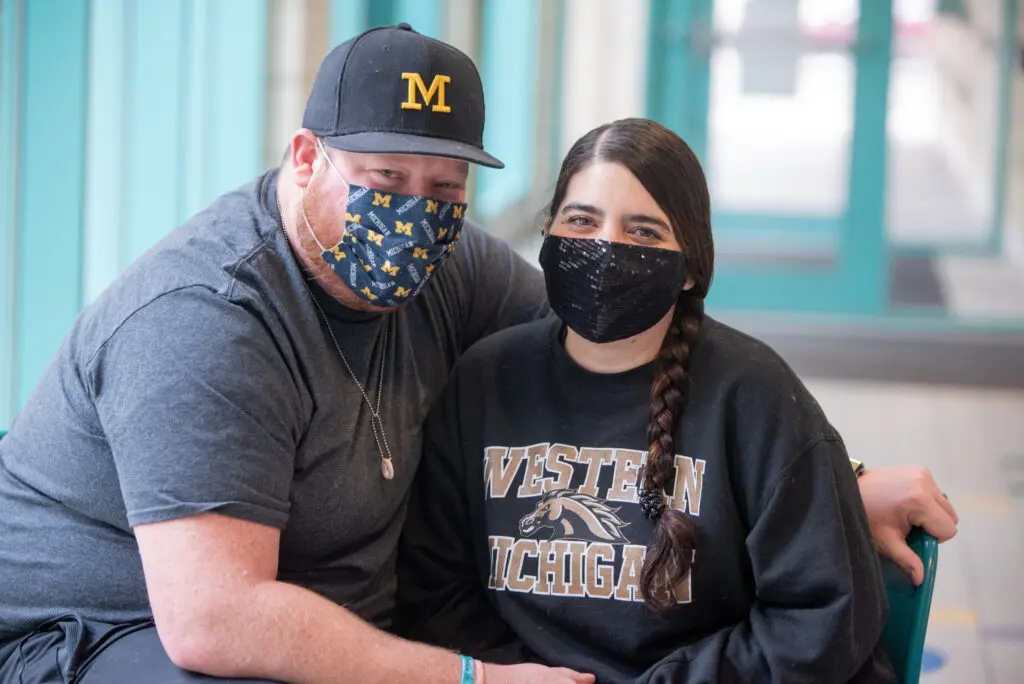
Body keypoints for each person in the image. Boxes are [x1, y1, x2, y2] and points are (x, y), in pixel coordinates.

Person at [0, 23, 955, 684]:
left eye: (443, 185)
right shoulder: (204, 322)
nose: (412, 212)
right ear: (303, 157)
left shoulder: (440, 269)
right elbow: (215, 621)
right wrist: (467, 675)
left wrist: (824, 480)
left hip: (341, 636)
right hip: (100, 636)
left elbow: (620, 352)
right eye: (382, 178)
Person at [394, 119, 916, 683]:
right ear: (547, 233)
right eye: (581, 220)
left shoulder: (754, 395)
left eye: (643, 232)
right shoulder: (484, 382)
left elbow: (822, 621)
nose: (605, 246)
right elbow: (434, 593)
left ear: (691, 266)